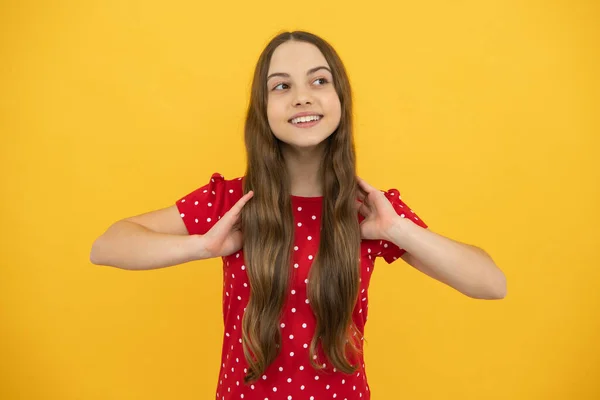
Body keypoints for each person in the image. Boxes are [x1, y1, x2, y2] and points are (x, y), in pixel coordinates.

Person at [90, 30, 506, 400]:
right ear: (263, 109)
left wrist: (396, 228)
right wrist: (200, 246)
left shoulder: (369, 209)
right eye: (281, 86)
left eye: (319, 81)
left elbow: (490, 283)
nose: (302, 96)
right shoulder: (231, 201)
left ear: (340, 98)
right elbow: (107, 246)